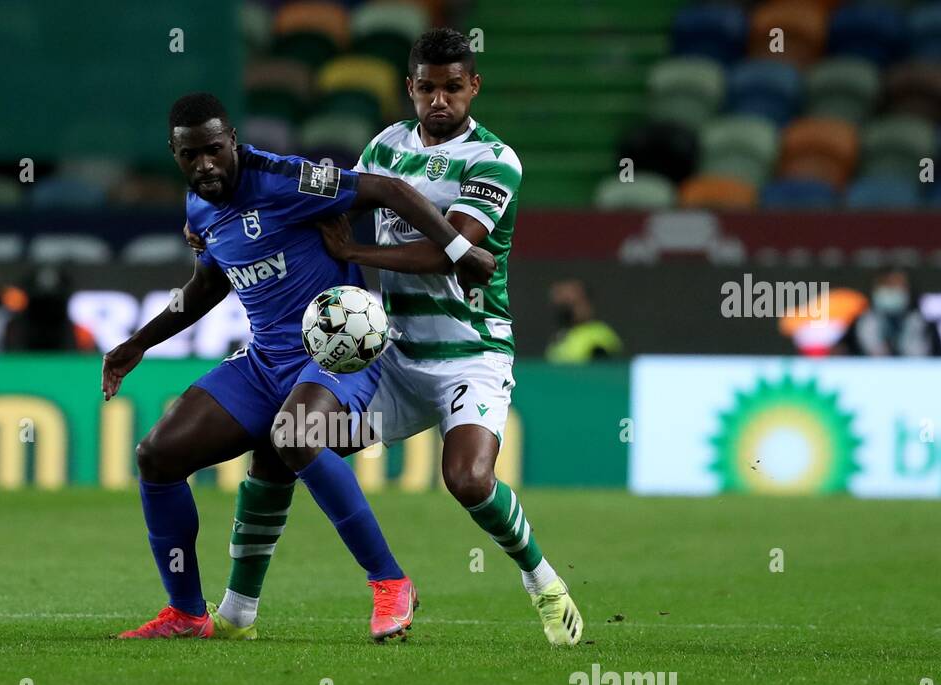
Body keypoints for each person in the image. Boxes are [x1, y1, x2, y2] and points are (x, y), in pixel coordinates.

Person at [207, 28, 585, 646]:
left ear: (473, 88)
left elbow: (453, 250)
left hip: (472, 355)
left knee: (466, 480)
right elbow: (336, 203)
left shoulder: (496, 159)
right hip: (396, 357)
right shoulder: (385, 145)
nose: (441, 100)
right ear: (409, 88)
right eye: (428, 88)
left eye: (454, 88)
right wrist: (228, 218)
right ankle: (238, 611)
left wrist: (356, 250)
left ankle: (542, 581)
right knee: (285, 445)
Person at [103, 92, 495, 641]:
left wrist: (457, 250)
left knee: (296, 435)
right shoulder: (199, 206)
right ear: (175, 154)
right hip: (265, 362)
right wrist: (137, 344)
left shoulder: (289, 180)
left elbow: (391, 190)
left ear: (232, 141)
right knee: (156, 456)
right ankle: (189, 614)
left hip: (338, 351)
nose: (204, 164)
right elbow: (208, 285)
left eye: (214, 150)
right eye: (190, 156)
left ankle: (390, 582)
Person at [836, 269, 941, 357]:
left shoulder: (926, 326)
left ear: (909, 290)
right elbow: (841, 355)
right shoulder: (858, 324)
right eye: (886, 285)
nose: (891, 291)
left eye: (897, 286)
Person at [544, 279, 622, 363]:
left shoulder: (599, 336)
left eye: (572, 303)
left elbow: (603, 372)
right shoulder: (559, 338)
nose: (566, 310)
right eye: (562, 305)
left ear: (587, 304)